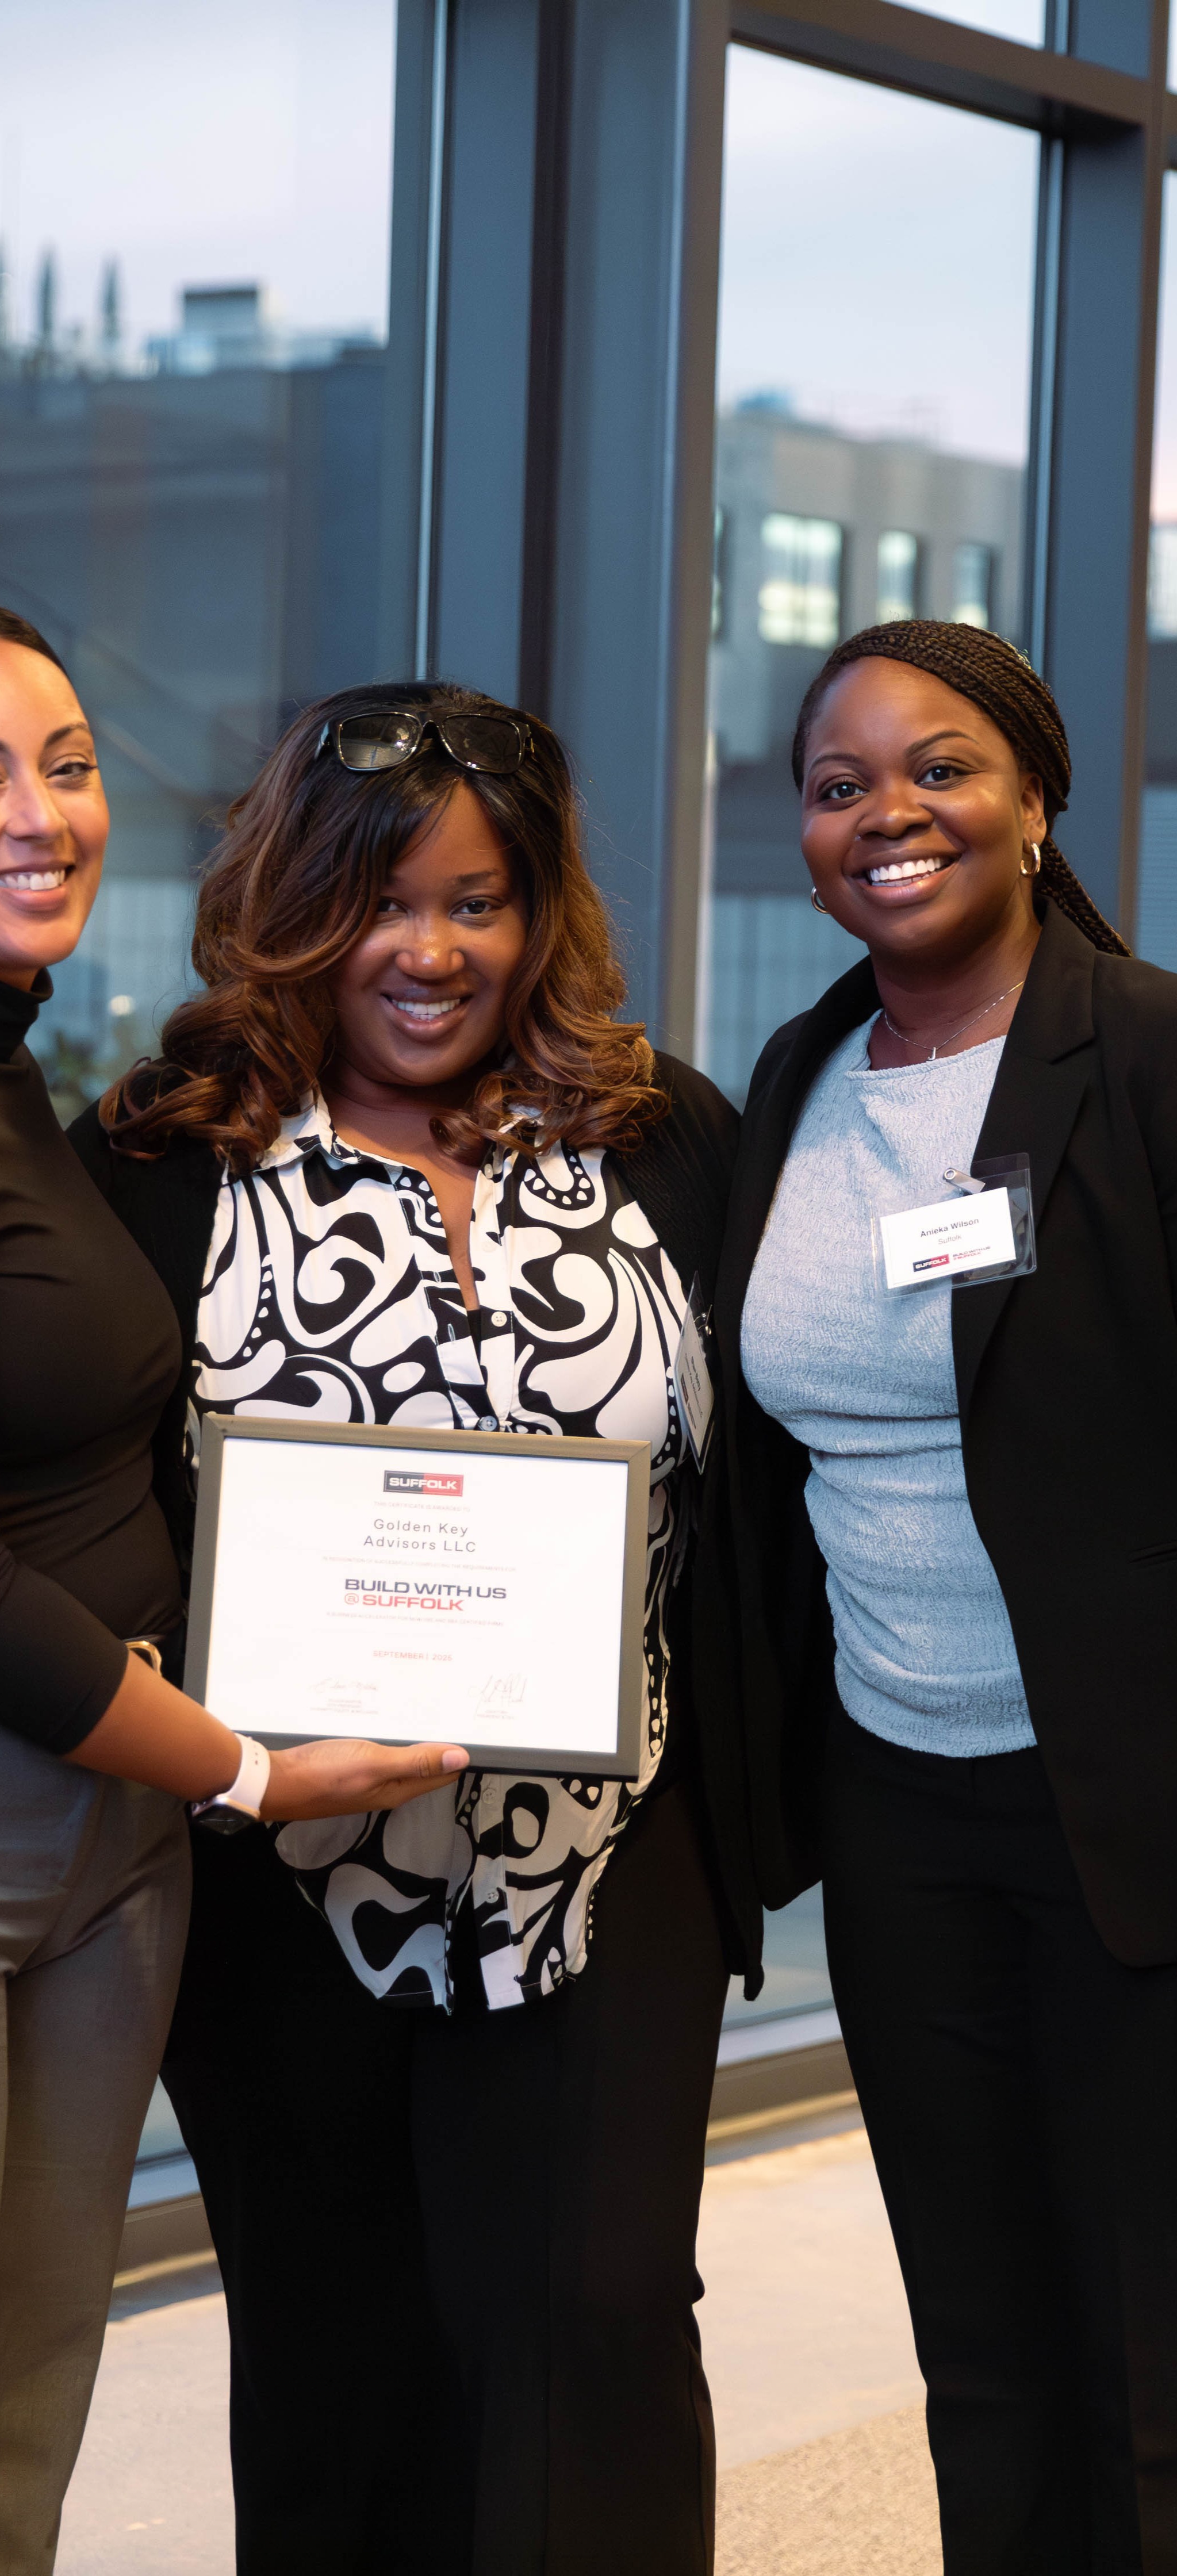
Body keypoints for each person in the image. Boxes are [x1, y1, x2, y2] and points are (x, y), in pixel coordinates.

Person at [0, 605, 463, 2576]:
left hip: (90, 1823)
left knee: (12, 2448)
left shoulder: (13, 1074)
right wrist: (238, 1770)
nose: (40, 813)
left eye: (64, 762)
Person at [70, 680, 750, 2576]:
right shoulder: (167, 1162)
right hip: (278, 1878)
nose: (432, 952)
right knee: (333, 2353)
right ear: (296, 902)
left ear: (543, 915)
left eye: (480, 901)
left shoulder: (659, 1138)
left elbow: (752, 1487)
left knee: (600, 2332)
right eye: (383, 903)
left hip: (608, 1864)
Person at [715, 616, 1177, 2571]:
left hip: (1133, 1811)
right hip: (901, 1803)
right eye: (839, 787)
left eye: (940, 769)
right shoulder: (799, 1071)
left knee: (1150, 2352)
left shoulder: (1147, 1051)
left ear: (1035, 798)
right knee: (980, 2349)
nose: (888, 814)